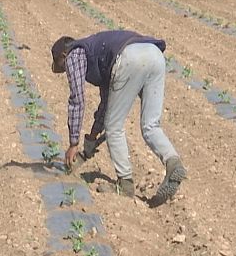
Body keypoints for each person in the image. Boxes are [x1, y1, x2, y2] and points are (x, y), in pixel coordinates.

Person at [50, 30, 187, 205]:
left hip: (130, 58)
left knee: (114, 127)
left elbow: (77, 99)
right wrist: (91, 138)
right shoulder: (98, 54)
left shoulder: (74, 55)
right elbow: (106, 103)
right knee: (151, 125)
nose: (64, 69)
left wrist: (73, 143)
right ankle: (172, 162)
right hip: (154, 55)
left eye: (60, 64)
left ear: (63, 54)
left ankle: (125, 185)